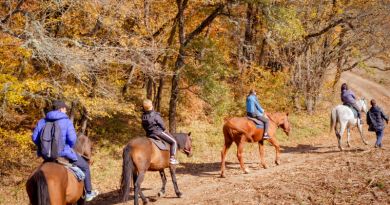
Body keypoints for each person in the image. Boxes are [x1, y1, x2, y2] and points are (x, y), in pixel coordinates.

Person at [32, 100, 98, 201]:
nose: (66, 111)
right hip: (63, 155)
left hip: (47, 156)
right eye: (65, 109)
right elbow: (72, 139)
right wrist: (67, 147)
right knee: (85, 166)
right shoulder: (66, 121)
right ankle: (89, 193)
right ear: (61, 109)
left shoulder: (42, 121)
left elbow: (34, 138)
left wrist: (45, 148)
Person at [141, 99, 179, 165]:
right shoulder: (155, 115)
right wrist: (164, 130)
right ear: (151, 106)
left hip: (149, 134)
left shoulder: (143, 116)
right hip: (158, 133)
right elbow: (162, 126)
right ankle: (172, 158)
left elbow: (144, 126)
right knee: (174, 142)